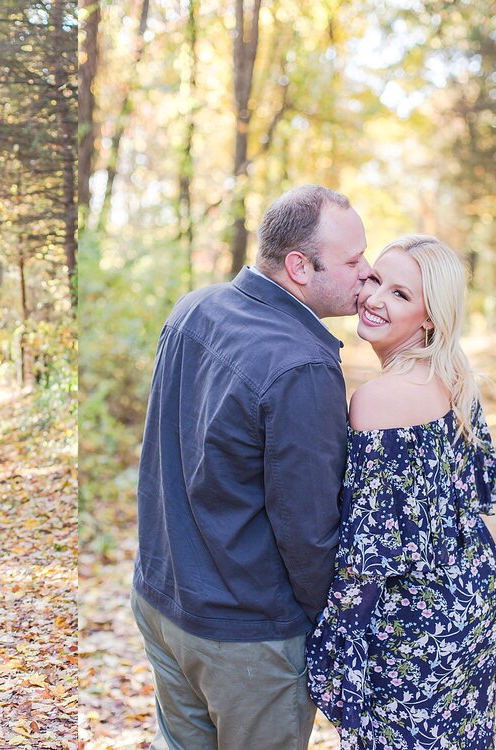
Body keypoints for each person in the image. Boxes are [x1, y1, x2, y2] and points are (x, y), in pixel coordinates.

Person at [132, 184, 371, 749]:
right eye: (354, 260)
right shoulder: (301, 365)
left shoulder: (193, 307)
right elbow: (309, 532)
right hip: (245, 637)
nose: (368, 272)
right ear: (299, 267)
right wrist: (326, 627)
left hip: (161, 603)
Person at [306, 235, 496, 748]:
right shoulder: (455, 377)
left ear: (429, 318)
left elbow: (368, 551)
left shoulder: (377, 400)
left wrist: (337, 649)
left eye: (400, 294)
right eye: (375, 279)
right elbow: (478, 493)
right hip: (477, 598)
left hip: (418, 627)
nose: (375, 298)